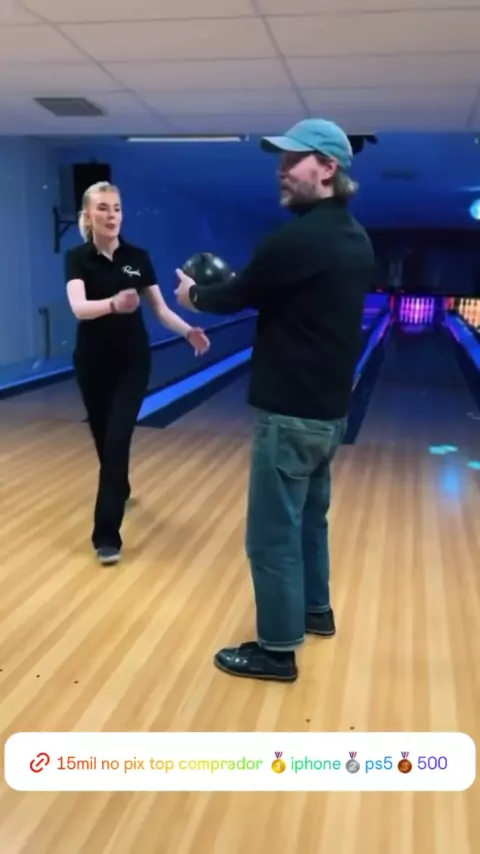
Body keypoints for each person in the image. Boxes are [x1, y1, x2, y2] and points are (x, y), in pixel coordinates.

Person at [175, 118, 375, 682]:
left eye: (293, 160)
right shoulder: (355, 238)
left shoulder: (296, 239)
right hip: (328, 415)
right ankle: (316, 611)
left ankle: (277, 650)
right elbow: (280, 296)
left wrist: (194, 294)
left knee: (271, 536)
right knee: (310, 521)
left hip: (288, 415)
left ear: (328, 168)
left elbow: (234, 295)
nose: (281, 171)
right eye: (281, 161)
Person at [65, 181, 210, 566]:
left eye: (116, 208)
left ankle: (106, 535)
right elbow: (79, 307)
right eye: (103, 208)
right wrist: (113, 303)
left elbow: (160, 309)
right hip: (92, 362)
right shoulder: (77, 258)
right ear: (88, 215)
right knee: (104, 441)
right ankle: (121, 485)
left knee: (116, 441)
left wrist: (188, 331)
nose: (111, 215)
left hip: (132, 362)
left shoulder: (137, 258)